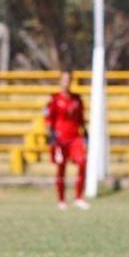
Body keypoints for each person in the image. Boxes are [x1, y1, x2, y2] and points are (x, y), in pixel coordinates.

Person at [44, 70, 89, 210]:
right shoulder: (54, 99)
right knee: (61, 168)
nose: (66, 82)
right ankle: (61, 200)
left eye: (68, 79)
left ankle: (79, 198)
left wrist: (86, 133)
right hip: (60, 138)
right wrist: (51, 135)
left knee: (82, 162)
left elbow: (81, 119)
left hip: (75, 137)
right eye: (64, 79)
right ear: (60, 81)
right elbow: (48, 119)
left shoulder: (77, 99)